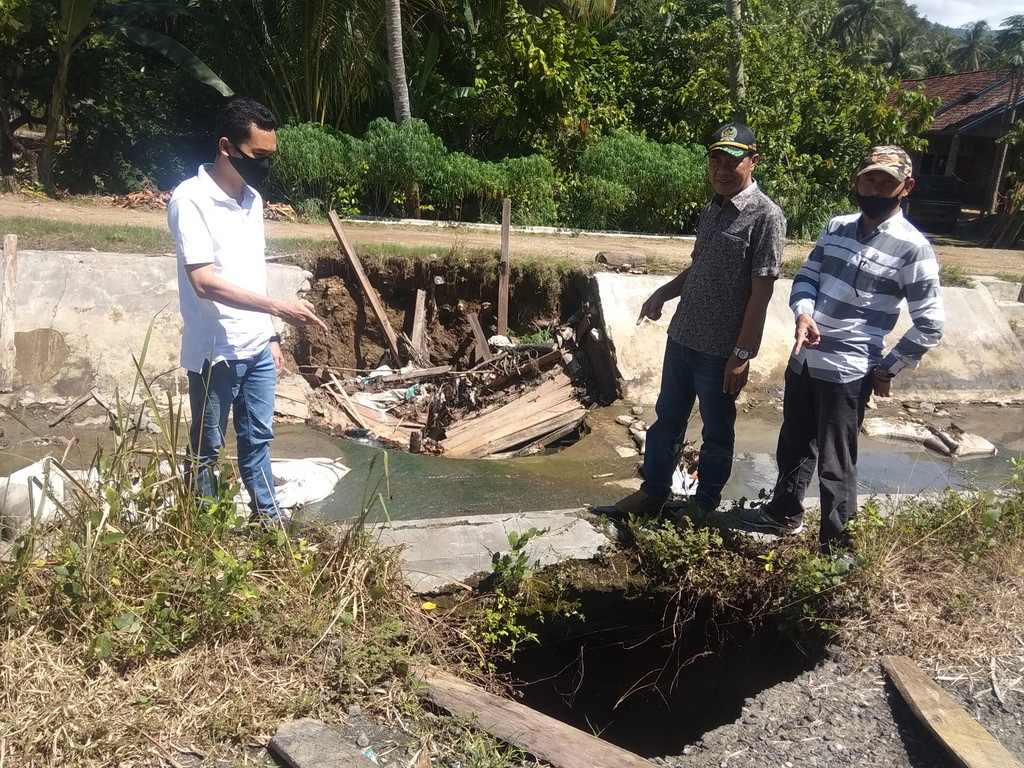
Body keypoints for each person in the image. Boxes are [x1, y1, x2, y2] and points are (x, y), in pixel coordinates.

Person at [740, 145, 945, 552]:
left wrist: (887, 369)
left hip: (849, 371)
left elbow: (931, 323)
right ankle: (784, 514)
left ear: (906, 187)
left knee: (836, 462)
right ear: (856, 181)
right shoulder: (837, 226)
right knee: (794, 443)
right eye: (869, 179)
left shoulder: (912, 247)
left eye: (886, 182)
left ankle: (837, 549)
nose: (874, 187)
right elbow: (806, 277)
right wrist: (803, 313)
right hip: (804, 359)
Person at [168, 96, 328, 524]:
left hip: (257, 346)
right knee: (207, 446)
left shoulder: (252, 199)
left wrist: (272, 332)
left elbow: (251, 272)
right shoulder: (190, 200)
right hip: (215, 350)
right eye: (258, 156)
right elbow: (203, 281)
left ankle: (268, 521)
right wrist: (278, 305)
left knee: (258, 438)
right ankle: (200, 527)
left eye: (270, 157)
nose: (265, 165)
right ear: (227, 146)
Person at [614, 123, 786, 516]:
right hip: (684, 336)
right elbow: (699, 267)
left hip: (721, 349)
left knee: (716, 430)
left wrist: (743, 353)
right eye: (716, 160)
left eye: (733, 162)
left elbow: (762, 293)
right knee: (666, 421)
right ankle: (653, 492)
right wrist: (663, 292)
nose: (722, 170)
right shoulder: (714, 208)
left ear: (754, 161)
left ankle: (705, 503)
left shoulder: (766, 216)